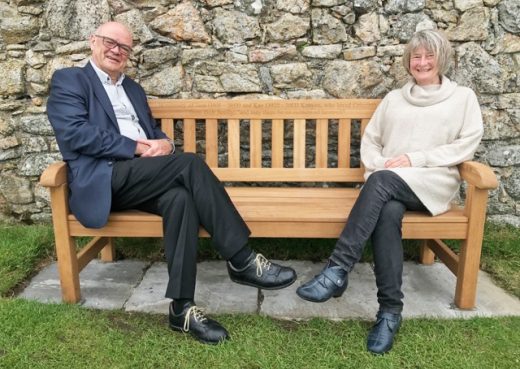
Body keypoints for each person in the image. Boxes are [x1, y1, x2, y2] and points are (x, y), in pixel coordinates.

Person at [46, 21, 296, 345]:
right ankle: (241, 258)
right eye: (110, 42)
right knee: (190, 164)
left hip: (144, 176)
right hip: (105, 178)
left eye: (124, 47)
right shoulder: (71, 80)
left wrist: (165, 145)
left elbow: (151, 130)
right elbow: (75, 134)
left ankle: (182, 310)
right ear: (93, 41)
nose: (116, 50)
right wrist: (137, 147)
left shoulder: (132, 89)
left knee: (180, 198)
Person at [296, 29, 484, 354]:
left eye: (429, 56)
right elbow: (370, 140)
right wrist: (381, 164)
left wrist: (416, 159)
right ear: (408, 61)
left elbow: (466, 143)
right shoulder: (395, 98)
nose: (422, 62)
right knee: (386, 212)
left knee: (381, 182)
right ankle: (389, 312)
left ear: (442, 60)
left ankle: (338, 268)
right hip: (388, 187)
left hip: (430, 183)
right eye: (416, 56)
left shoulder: (462, 98)